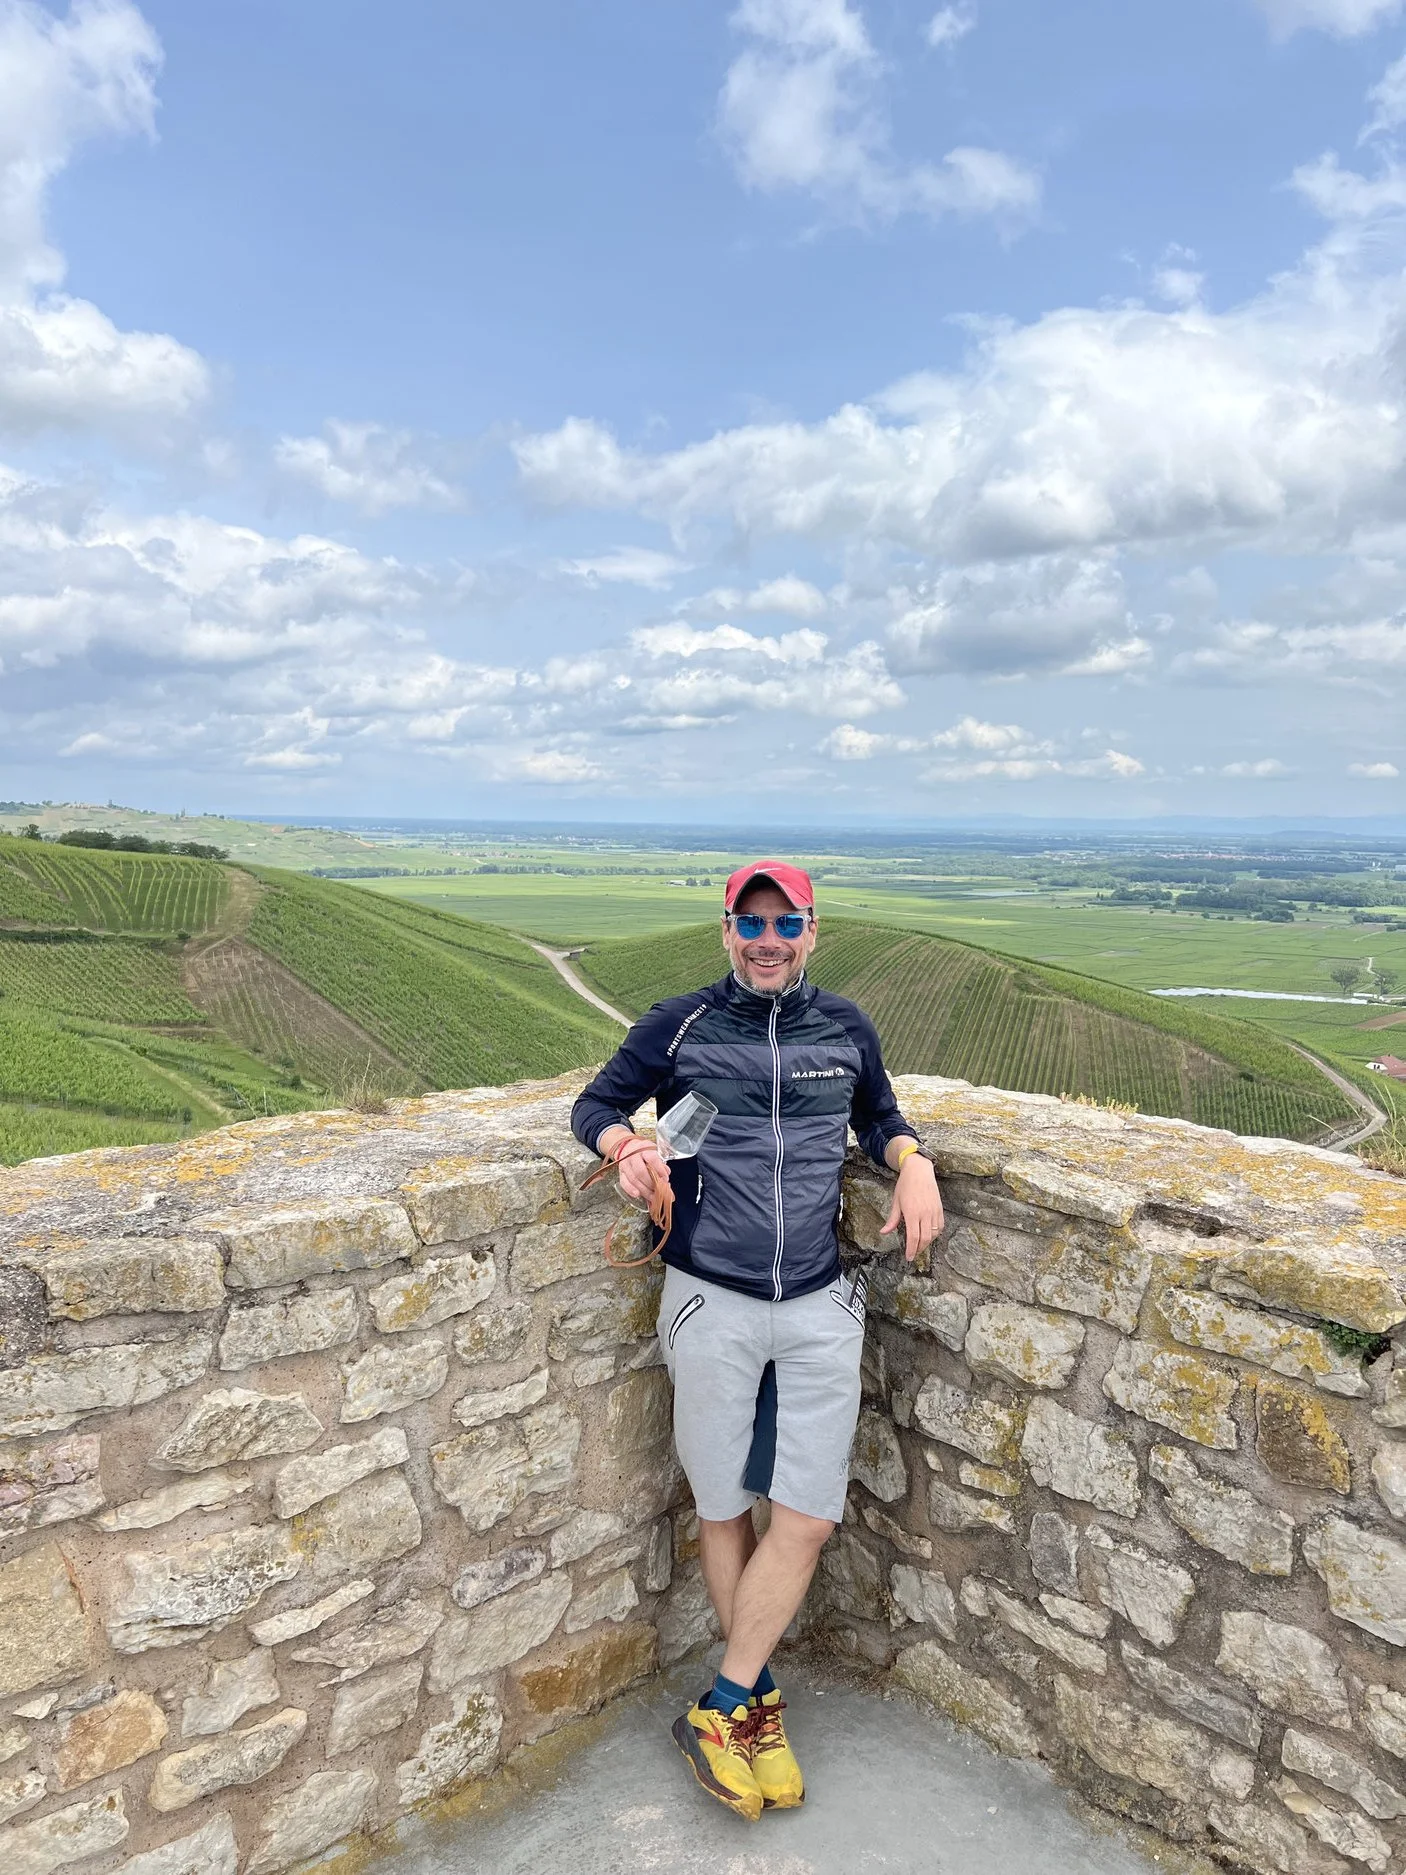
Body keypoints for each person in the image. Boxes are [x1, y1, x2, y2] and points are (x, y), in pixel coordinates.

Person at [571, 859, 944, 1822]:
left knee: (807, 1517)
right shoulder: (680, 1025)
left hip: (821, 1303)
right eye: (752, 922)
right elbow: (595, 1107)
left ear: (813, 932)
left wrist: (913, 1164)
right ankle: (757, 1702)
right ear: (726, 929)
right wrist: (629, 1148)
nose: (768, 941)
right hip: (710, 1298)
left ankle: (722, 1700)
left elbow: (882, 1117)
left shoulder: (846, 1027)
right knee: (726, 1505)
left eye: (788, 925)